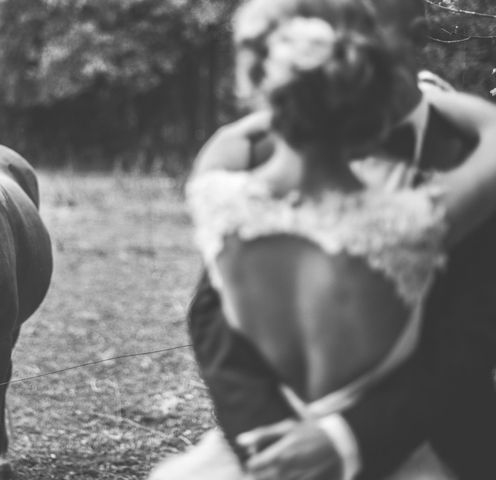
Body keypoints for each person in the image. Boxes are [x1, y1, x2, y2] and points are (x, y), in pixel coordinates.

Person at [152, 0, 496, 479]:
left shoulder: (220, 173)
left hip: (430, 442)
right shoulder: (424, 217)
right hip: (267, 446)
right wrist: (269, 440)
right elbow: (211, 317)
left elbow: (475, 335)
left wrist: (344, 440)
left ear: (413, 39)